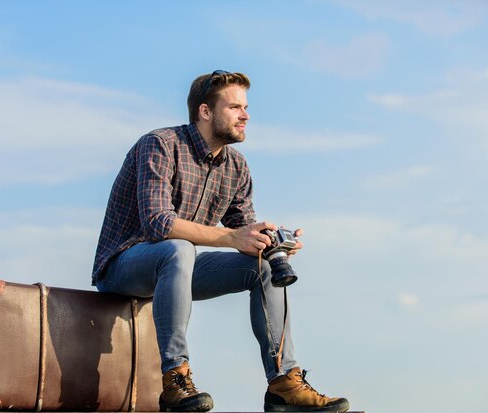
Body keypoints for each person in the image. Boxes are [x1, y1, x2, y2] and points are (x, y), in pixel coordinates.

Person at [92, 70, 350, 412]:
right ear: (205, 112)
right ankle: (175, 377)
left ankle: (283, 383)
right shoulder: (159, 145)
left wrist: (272, 244)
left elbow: (243, 228)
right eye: (234, 107)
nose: (245, 115)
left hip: (176, 269)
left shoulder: (237, 166)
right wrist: (231, 237)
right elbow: (157, 223)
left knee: (262, 265)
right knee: (178, 247)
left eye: (245, 107)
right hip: (123, 267)